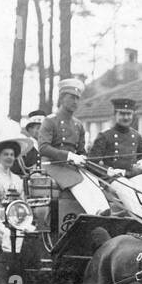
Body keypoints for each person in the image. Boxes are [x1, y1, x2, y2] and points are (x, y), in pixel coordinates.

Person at [38, 78, 109, 216]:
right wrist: (69, 156)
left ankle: (105, 212)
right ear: (62, 98)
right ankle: (95, 212)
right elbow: (43, 148)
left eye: (77, 98)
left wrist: (82, 158)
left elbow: (81, 151)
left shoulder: (78, 124)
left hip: (71, 165)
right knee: (77, 180)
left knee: (93, 179)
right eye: (72, 97)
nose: (75, 102)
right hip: (52, 164)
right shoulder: (49, 121)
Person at [89, 96, 142, 221]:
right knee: (124, 185)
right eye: (122, 114)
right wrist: (108, 170)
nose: (126, 117)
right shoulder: (105, 135)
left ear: (133, 115)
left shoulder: (136, 135)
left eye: (129, 114)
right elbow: (92, 163)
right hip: (112, 179)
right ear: (115, 114)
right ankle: (140, 220)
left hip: (131, 175)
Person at [14, 109, 46, 176]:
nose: (41, 131)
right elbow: (15, 170)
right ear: (30, 130)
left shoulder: (51, 147)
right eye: (38, 128)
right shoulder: (24, 147)